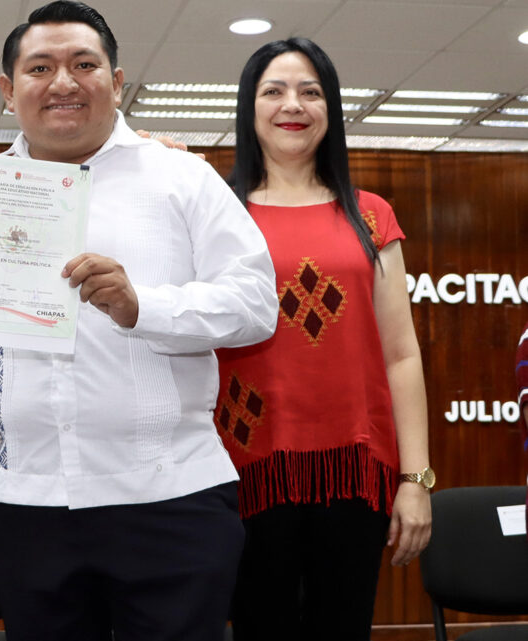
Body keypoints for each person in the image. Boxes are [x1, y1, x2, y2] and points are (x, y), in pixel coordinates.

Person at [0, 3, 278, 640]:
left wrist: (145, 308)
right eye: (40, 67)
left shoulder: (181, 177)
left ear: (117, 80)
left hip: (168, 499)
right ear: (7, 89)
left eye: (84, 65)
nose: (63, 82)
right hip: (24, 501)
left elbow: (255, 303)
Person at [214, 37, 433, 641]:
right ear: (249, 107)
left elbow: (402, 354)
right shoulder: (218, 211)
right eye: (274, 91)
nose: (294, 105)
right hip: (245, 468)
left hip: (356, 470)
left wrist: (417, 480)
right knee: (261, 628)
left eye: (311, 92)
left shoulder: (370, 215)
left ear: (331, 109)